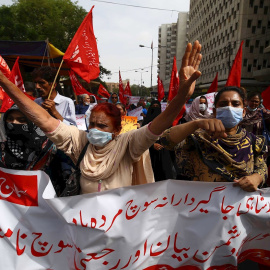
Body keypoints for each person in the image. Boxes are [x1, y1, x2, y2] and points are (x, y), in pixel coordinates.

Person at [0, 41, 202, 194]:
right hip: (86, 231)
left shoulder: (128, 144)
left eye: (102, 126)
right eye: (92, 124)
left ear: (116, 130)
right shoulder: (80, 141)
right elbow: (42, 120)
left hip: (122, 228)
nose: (95, 129)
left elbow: (160, 123)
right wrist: (4, 82)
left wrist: (182, 94)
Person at [160, 86, 268, 192]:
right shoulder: (199, 137)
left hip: (239, 206)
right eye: (223, 104)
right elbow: (165, 140)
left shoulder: (254, 141)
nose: (229, 108)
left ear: (243, 111)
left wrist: (257, 178)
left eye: (235, 104)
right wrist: (196, 123)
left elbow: (261, 167)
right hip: (203, 203)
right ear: (215, 111)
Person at [0, 104, 54, 170]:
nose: (14, 122)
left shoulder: (47, 147)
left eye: (21, 120)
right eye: (10, 119)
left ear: (33, 123)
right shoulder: (3, 148)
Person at [142, 100, 174, 181]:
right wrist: (152, 145)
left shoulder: (166, 122)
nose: (155, 109)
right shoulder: (145, 123)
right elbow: (142, 138)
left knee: (165, 174)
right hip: (149, 154)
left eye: (157, 107)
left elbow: (169, 135)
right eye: (153, 107)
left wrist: (164, 143)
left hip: (164, 152)